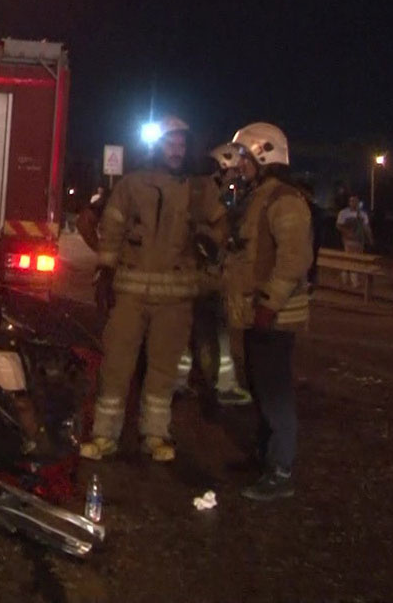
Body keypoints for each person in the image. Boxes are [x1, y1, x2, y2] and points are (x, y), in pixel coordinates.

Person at [80, 116, 227, 463]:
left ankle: (156, 435)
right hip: (130, 292)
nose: (177, 150)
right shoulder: (132, 184)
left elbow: (221, 228)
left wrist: (212, 243)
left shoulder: (200, 187)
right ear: (157, 146)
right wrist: (104, 273)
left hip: (175, 299)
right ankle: (104, 435)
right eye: (170, 143)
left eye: (181, 144)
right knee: (116, 364)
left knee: (163, 371)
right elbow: (112, 230)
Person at [223, 122, 313, 501]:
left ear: (264, 154)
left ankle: (280, 470)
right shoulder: (261, 195)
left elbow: (294, 260)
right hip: (258, 312)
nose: (238, 164)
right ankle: (265, 457)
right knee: (261, 387)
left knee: (275, 393)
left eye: (244, 156)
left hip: (273, 316)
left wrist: (269, 304)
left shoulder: (284, 200)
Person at [178, 144, 253, 409]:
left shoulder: (192, 185)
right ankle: (225, 385)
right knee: (215, 330)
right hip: (204, 275)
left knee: (187, 329)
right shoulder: (207, 191)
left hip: (189, 273)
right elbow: (215, 232)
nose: (237, 176)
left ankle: (180, 380)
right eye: (233, 171)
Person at [336, 195, 374, 288]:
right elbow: (339, 225)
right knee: (350, 259)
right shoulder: (344, 213)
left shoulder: (363, 214)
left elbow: (366, 228)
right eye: (352, 201)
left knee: (356, 260)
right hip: (349, 240)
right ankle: (349, 280)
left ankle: (351, 279)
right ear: (349, 202)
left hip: (359, 241)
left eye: (355, 201)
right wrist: (347, 233)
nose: (354, 203)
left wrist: (370, 239)